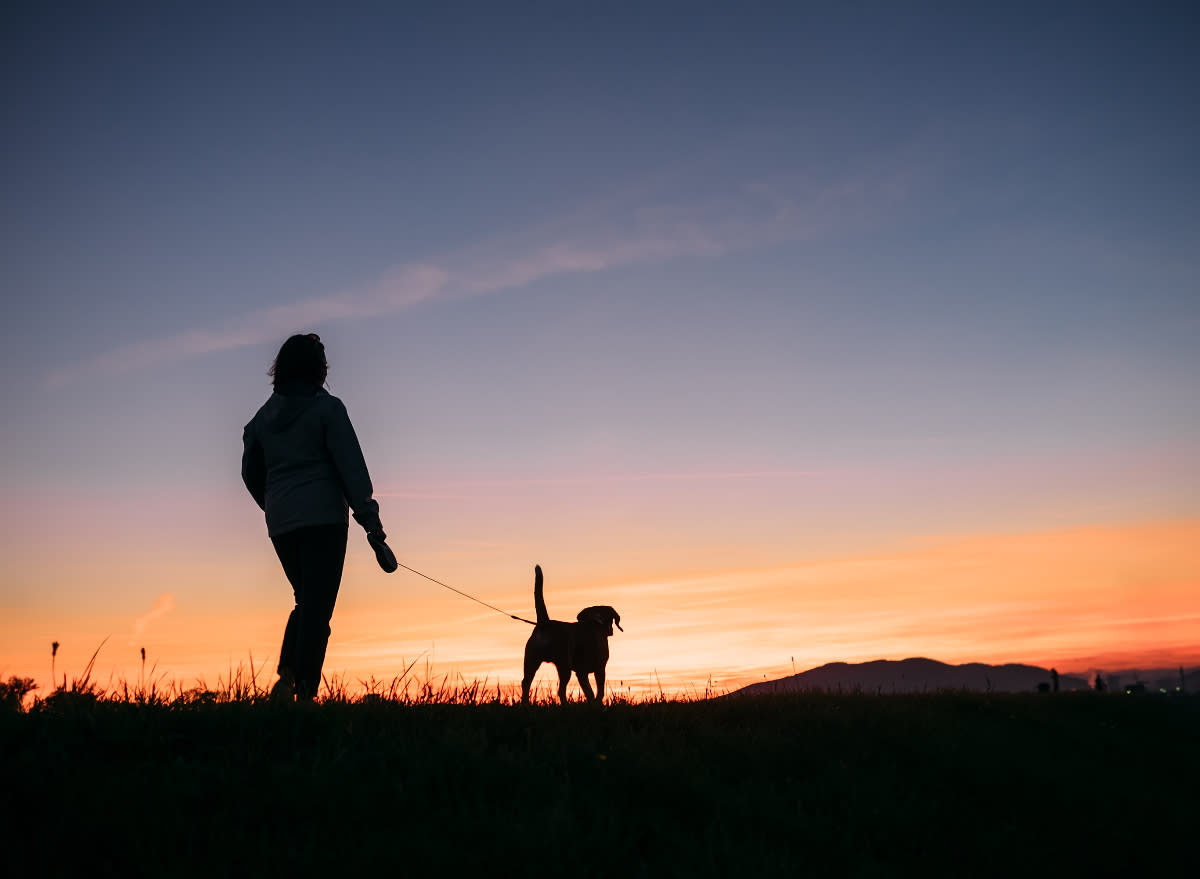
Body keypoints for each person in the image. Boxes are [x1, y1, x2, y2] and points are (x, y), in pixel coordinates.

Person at [241, 333, 387, 701]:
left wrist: (272, 503)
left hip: (282, 522)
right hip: (323, 519)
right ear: (317, 370)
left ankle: (288, 678)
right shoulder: (328, 410)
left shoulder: (260, 421)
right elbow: (351, 465)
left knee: (306, 599)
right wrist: (370, 520)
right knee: (317, 609)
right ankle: (301, 691)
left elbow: (250, 472)